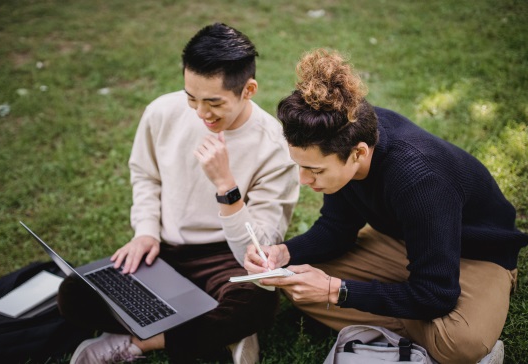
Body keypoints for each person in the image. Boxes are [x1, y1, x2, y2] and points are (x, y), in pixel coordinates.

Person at [244, 49, 527, 364]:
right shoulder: (344, 132)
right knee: (294, 279)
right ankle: (413, 318)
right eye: (300, 166)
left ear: (359, 153)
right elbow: (337, 228)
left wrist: (336, 292)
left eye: (316, 170)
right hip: (401, 240)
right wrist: (285, 253)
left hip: (477, 255)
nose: (304, 179)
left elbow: (436, 295)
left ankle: (433, 323)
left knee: (461, 343)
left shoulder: (420, 179)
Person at [58, 23, 299, 364]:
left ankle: (142, 342)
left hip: (227, 259)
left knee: (258, 299)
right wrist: (145, 232)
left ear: (249, 90)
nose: (201, 114)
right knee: (74, 295)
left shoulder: (275, 146)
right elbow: (145, 175)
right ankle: (214, 332)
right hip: (166, 252)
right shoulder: (162, 112)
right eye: (192, 98)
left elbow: (258, 251)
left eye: (213, 102)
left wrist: (226, 187)